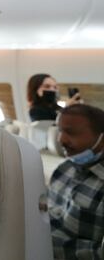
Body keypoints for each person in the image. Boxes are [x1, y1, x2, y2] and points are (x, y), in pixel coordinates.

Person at [47, 104, 104, 259]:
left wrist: (46, 249)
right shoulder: (64, 169)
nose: (61, 139)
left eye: (71, 132)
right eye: (60, 130)